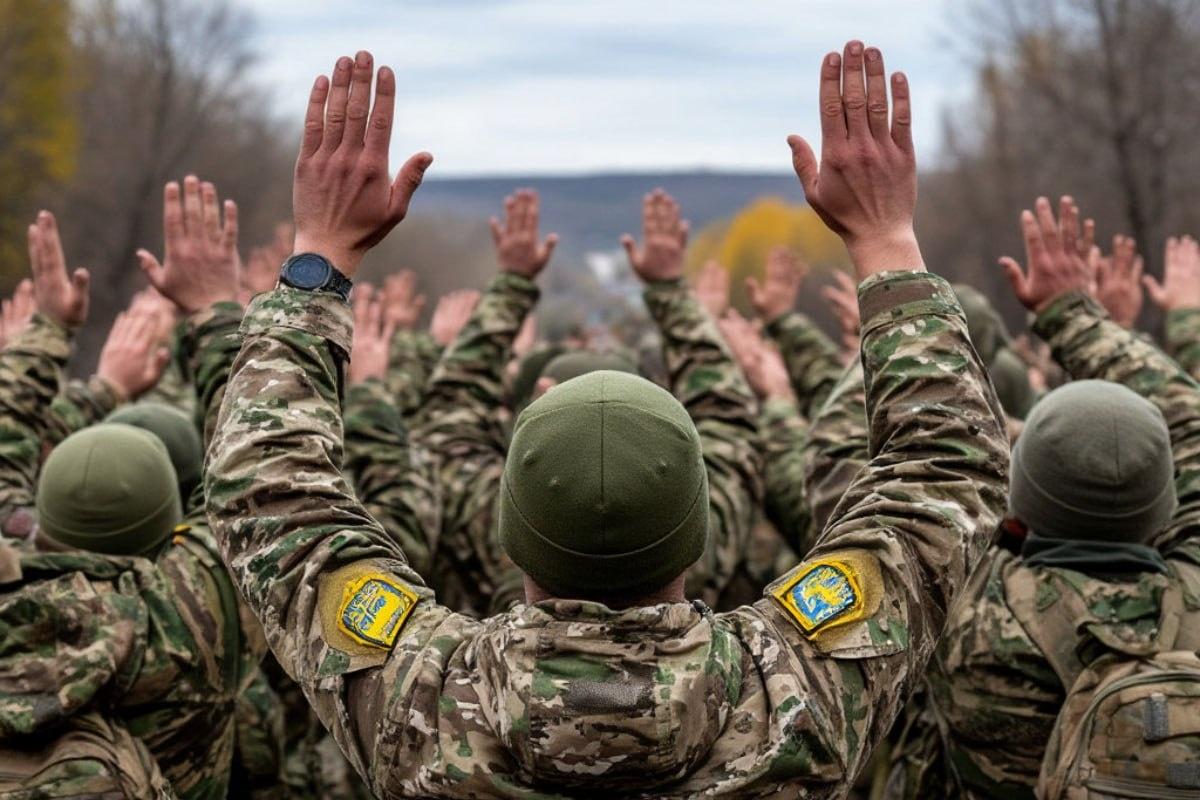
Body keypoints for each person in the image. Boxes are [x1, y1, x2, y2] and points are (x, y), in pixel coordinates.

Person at [204, 41, 1008, 798]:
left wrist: (320, 261)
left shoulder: (424, 699)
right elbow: (947, 472)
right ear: (702, 526)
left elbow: (269, 491)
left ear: (509, 528)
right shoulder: (787, 697)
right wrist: (884, 238)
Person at [921, 196, 1200, 799]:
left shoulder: (971, 622)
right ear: (1167, 504)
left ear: (1015, 498)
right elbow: (1189, 419)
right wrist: (1076, 315)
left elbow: (915, 470)